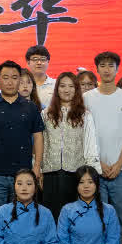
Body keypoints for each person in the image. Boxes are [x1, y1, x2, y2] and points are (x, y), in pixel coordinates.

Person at [0, 60, 46, 219]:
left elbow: (38, 138)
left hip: (24, 174)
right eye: (6, 77)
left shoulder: (30, 107)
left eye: (14, 77)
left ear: (19, 80)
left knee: (22, 218)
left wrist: (37, 167)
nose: (10, 82)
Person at [83, 51, 122, 228]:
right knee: (96, 217)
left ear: (117, 69)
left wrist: (118, 164)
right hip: (95, 168)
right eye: (103, 66)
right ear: (97, 69)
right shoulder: (87, 98)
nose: (107, 69)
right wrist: (98, 163)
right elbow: (84, 134)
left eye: (111, 65)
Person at [40, 71, 100, 217]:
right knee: (51, 215)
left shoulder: (85, 115)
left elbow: (90, 144)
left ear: (76, 89)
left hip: (76, 173)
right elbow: (40, 143)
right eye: (62, 86)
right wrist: (39, 169)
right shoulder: (46, 114)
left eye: (71, 86)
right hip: (50, 173)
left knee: (74, 215)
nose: (66, 90)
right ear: (57, 89)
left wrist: (90, 174)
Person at [56, 166, 122, 244]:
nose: (86, 186)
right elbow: (63, 241)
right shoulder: (67, 210)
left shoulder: (109, 210)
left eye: (90, 182)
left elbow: (113, 243)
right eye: (81, 182)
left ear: (97, 185)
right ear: (76, 186)